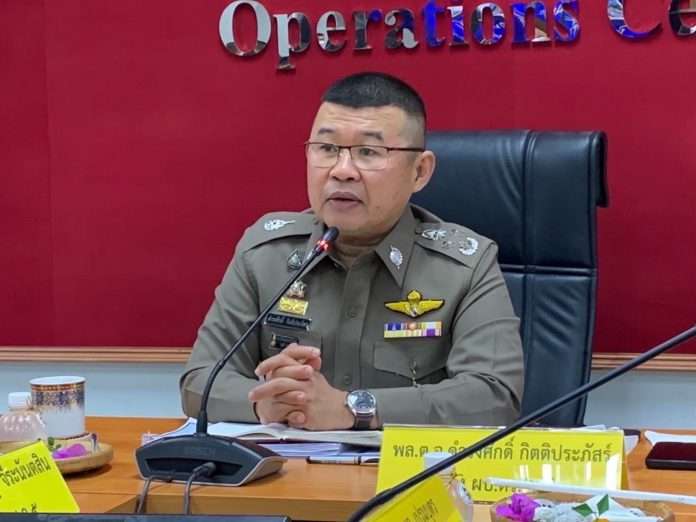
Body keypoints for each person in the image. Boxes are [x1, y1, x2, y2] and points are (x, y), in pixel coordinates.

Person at [180, 72, 524, 431]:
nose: (342, 171)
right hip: (286, 466)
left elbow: (494, 397)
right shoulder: (265, 253)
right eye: (327, 148)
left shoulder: (465, 266)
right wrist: (264, 403)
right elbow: (199, 381)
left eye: (368, 152)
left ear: (420, 172)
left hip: (408, 466)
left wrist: (354, 409)